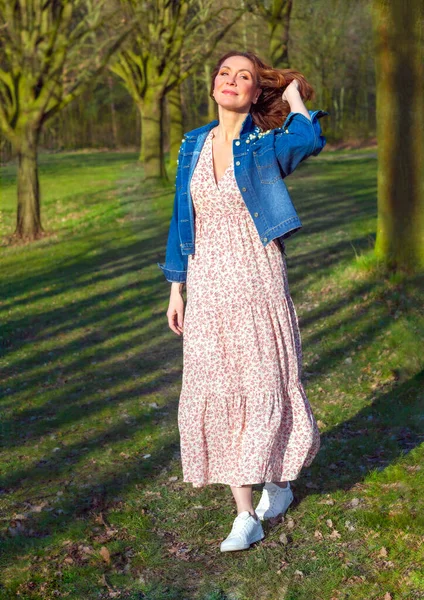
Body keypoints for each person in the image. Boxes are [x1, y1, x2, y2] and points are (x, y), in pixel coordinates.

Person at [157, 50, 329, 552]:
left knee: (263, 381)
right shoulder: (193, 144)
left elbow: (309, 138)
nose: (231, 81)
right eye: (224, 73)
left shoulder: (264, 145)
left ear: (256, 93)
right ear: (213, 86)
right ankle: (245, 512)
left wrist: (294, 96)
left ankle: (275, 481)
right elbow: (179, 220)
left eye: (245, 77)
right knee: (220, 384)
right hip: (208, 283)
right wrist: (176, 287)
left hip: (256, 277)